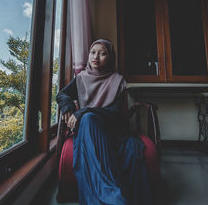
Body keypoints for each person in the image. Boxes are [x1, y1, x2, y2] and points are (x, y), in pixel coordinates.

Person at [56, 39, 153, 205]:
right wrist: (68, 106)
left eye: (102, 53)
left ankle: (109, 196)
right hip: (88, 129)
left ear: (110, 58)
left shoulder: (118, 81)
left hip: (111, 128)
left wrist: (83, 111)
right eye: (93, 52)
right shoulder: (81, 78)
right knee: (88, 119)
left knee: (88, 117)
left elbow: (114, 113)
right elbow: (62, 94)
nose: (96, 57)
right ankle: (112, 197)